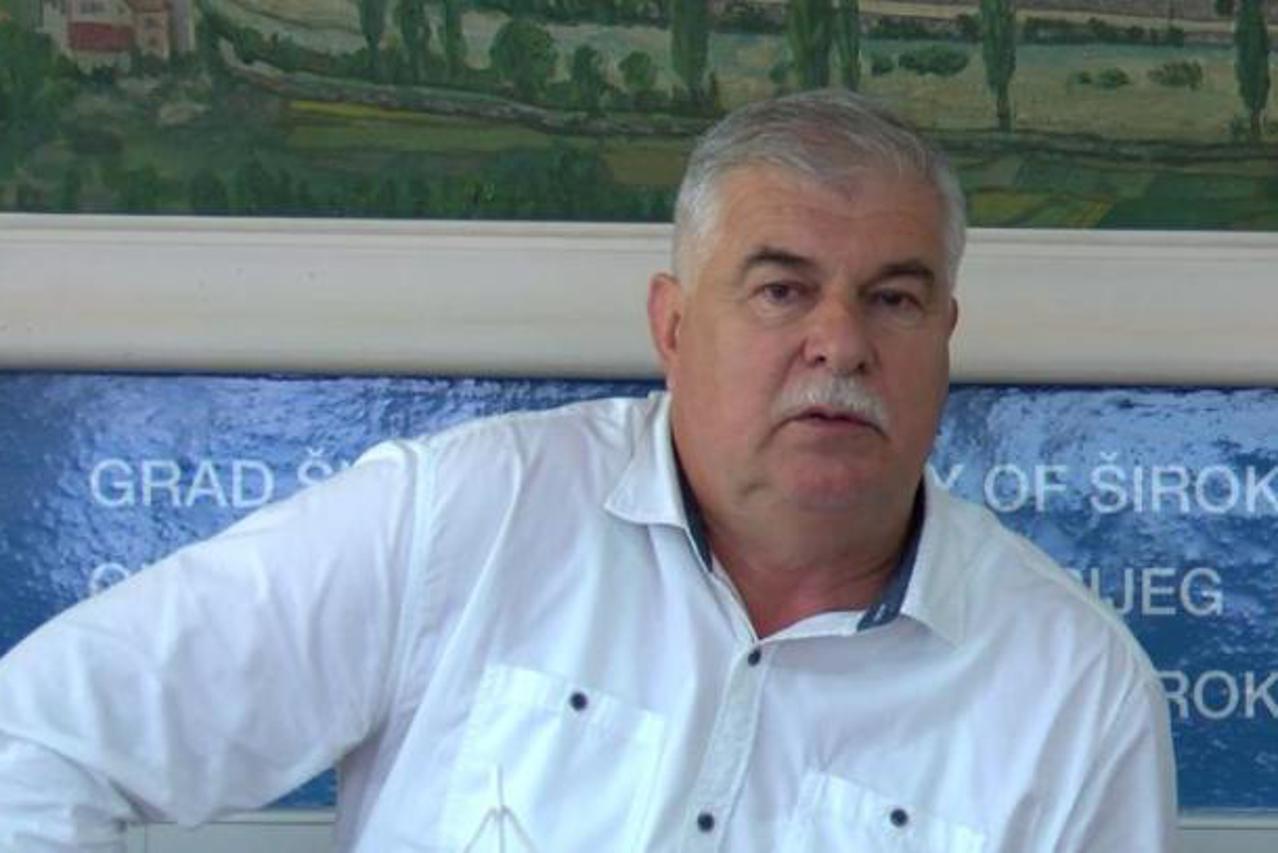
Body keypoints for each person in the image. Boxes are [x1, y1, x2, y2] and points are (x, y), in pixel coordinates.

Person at [0, 89, 1175, 851]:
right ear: (674, 326)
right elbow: (35, 742)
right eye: (781, 289)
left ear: (944, 337)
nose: (840, 343)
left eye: (895, 299)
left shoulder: (1072, 693)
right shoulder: (469, 518)